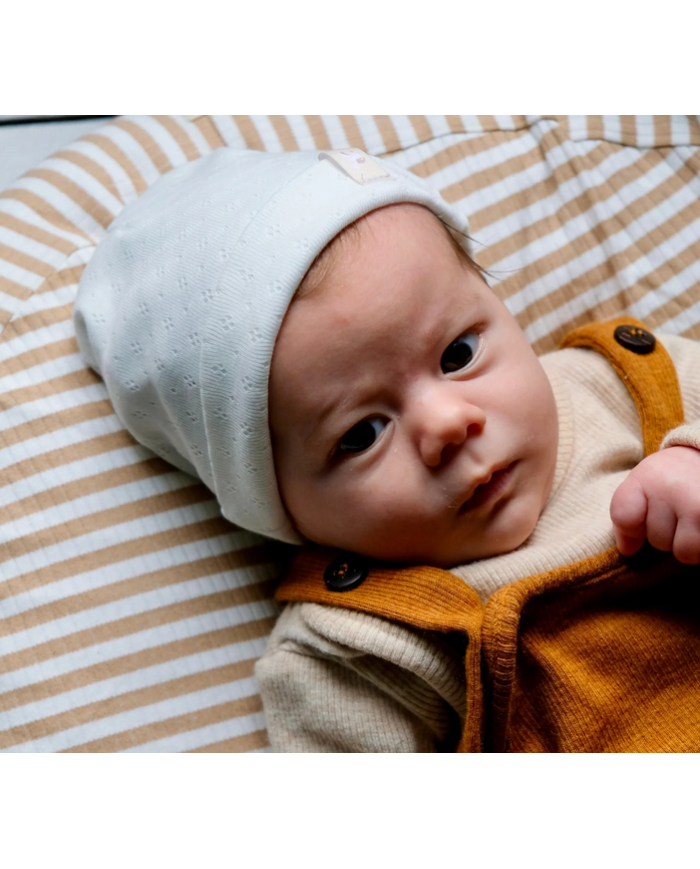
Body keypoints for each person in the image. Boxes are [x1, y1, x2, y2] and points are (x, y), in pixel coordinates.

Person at [74, 147, 700, 752]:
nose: (448, 424)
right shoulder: (355, 647)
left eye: (458, 354)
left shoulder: (622, 386)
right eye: (361, 435)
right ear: (277, 506)